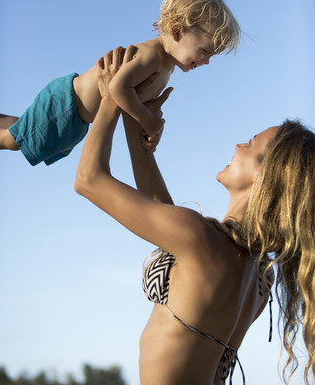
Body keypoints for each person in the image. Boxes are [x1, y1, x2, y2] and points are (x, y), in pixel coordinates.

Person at [74, 49, 315, 385]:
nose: (238, 145)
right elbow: (160, 210)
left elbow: (89, 180)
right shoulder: (258, 276)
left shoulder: (199, 238)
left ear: (265, 177)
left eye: (250, 143)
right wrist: (136, 117)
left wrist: (111, 97)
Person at [0, 0, 240, 166]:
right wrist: (147, 119)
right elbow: (118, 89)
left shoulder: (168, 66)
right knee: (14, 141)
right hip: (67, 104)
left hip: (76, 117)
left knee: (22, 128)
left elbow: (135, 103)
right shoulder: (151, 56)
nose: (206, 61)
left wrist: (152, 130)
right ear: (178, 31)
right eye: (205, 51)